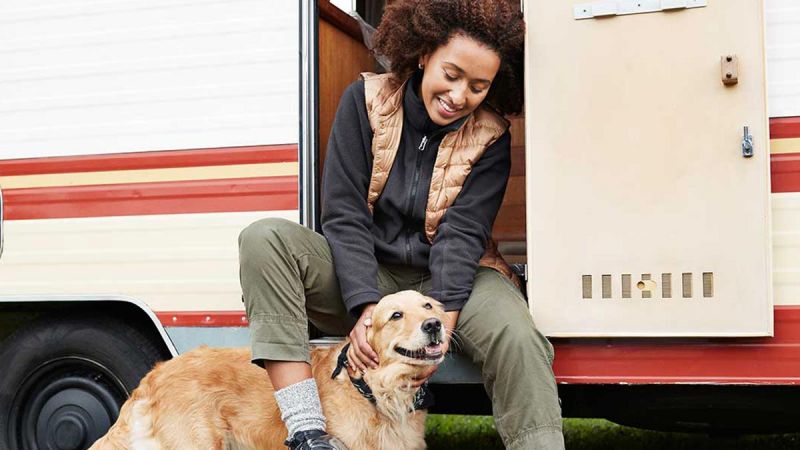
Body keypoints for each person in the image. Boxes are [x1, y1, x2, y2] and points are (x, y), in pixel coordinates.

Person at [238, 0, 564, 448]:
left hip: (455, 279)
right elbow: (345, 214)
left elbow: (462, 234)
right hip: (371, 271)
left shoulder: (492, 137)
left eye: (478, 86)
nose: (459, 96)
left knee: (519, 338)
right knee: (264, 238)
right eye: (452, 75)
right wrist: (365, 310)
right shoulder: (365, 102)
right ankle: (307, 431)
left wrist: (442, 323)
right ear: (425, 54)